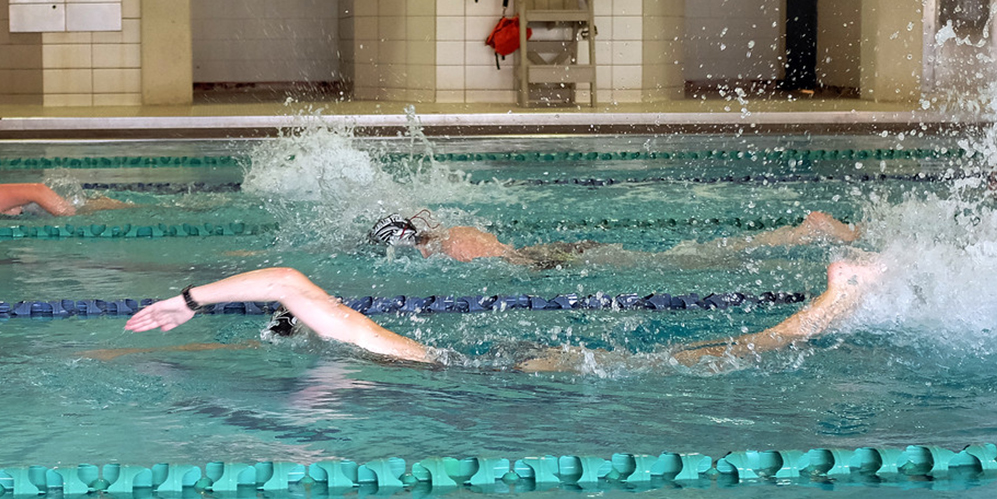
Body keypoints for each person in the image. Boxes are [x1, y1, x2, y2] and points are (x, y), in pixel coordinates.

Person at [118, 258, 882, 373]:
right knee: (703, 355)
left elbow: (288, 282)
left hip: (516, 375)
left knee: (706, 359)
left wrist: (184, 303)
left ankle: (836, 299)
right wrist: (186, 304)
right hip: (507, 368)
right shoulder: (375, 349)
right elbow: (290, 285)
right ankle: (834, 299)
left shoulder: (371, 348)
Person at [368, 210, 860, 268]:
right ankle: (795, 234)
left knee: (691, 264)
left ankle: (800, 233)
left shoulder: (450, 245)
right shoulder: (453, 230)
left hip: (564, 262)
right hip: (564, 255)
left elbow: (510, 262)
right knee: (686, 258)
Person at [0, 180, 132, 217]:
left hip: (55, 207)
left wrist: (68, 214)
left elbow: (38, 190)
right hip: (41, 211)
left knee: (99, 209)